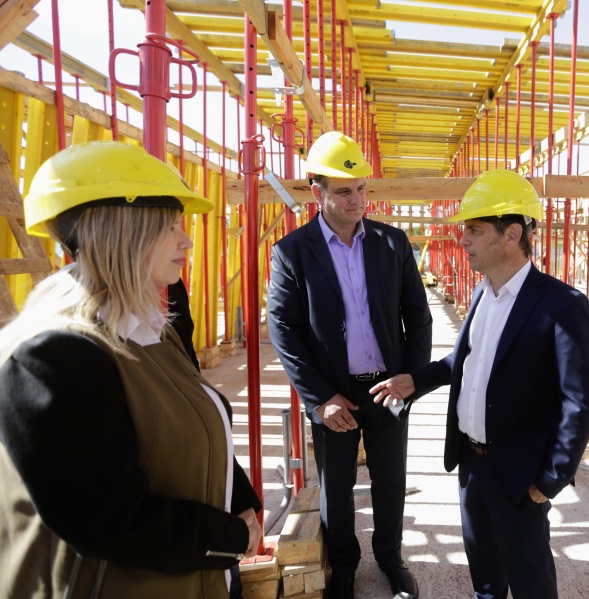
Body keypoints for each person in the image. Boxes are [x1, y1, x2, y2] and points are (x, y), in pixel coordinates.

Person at [0, 141, 263, 599]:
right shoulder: (55, 357)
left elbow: (197, 422)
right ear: (121, 232)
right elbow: (107, 520)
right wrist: (228, 539)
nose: (187, 240)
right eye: (169, 226)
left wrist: (242, 502)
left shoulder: (149, 332)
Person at [370, 169, 589, 599]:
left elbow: (579, 401)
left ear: (512, 234)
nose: (464, 241)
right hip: (472, 466)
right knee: (487, 583)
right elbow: (465, 361)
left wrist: (548, 481)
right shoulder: (483, 293)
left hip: (519, 475)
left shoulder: (561, 305)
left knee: (531, 585)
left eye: (474, 230)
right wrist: (414, 381)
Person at [267, 131, 432, 599]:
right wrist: (319, 398)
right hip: (334, 395)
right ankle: (343, 570)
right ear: (317, 192)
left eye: (361, 187)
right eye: (344, 190)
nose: (357, 198)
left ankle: (390, 560)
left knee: (390, 483)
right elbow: (285, 331)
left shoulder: (392, 243)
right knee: (336, 493)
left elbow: (417, 317)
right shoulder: (292, 252)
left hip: (389, 389)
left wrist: (411, 380)